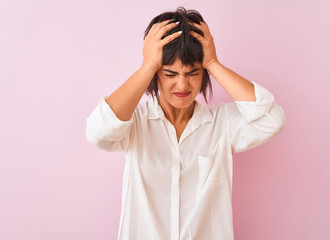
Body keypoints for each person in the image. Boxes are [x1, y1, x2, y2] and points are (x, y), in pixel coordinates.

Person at [86, 7, 286, 240]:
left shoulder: (222, 124)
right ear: (156, 75)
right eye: (170, 74)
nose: (182, 85)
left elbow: (272, 119)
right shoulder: (135, 122)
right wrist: (147, 65)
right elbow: (97, 132)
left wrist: (212, 62)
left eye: (193, 73)